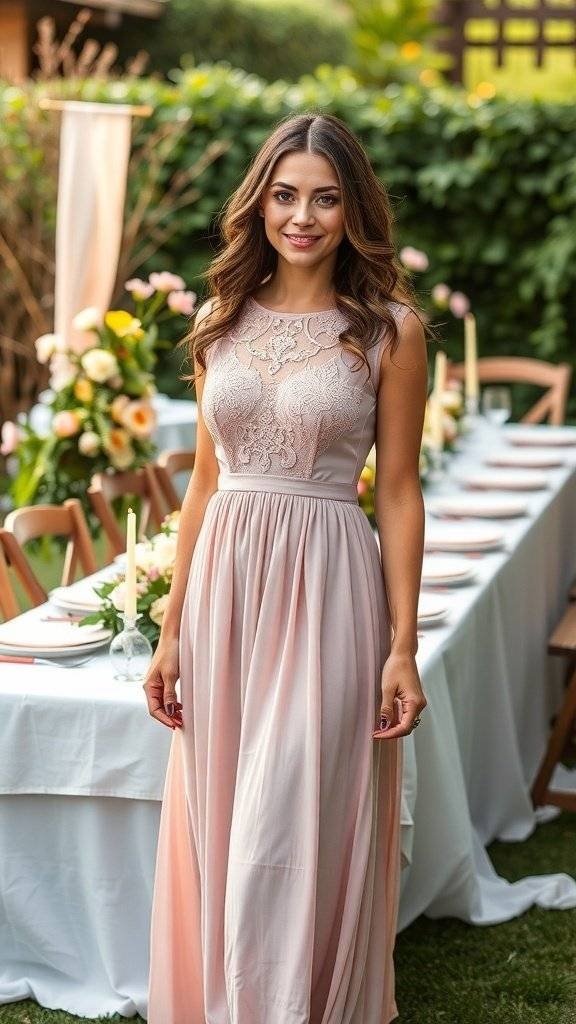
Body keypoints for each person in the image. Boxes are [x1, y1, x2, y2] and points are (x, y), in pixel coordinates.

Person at [143, 111, 429, 1024]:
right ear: (260, 202)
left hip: (328, 587)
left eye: (325, 198)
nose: (301, 216)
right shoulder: (218, 317)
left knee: (296, 812)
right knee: (224, 810)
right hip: (227, 587)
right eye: (285, 194)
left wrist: (403, 645)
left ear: (354, 210)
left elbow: (398, 494)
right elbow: (201, 489)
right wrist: (172, 623)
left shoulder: (389, 329)